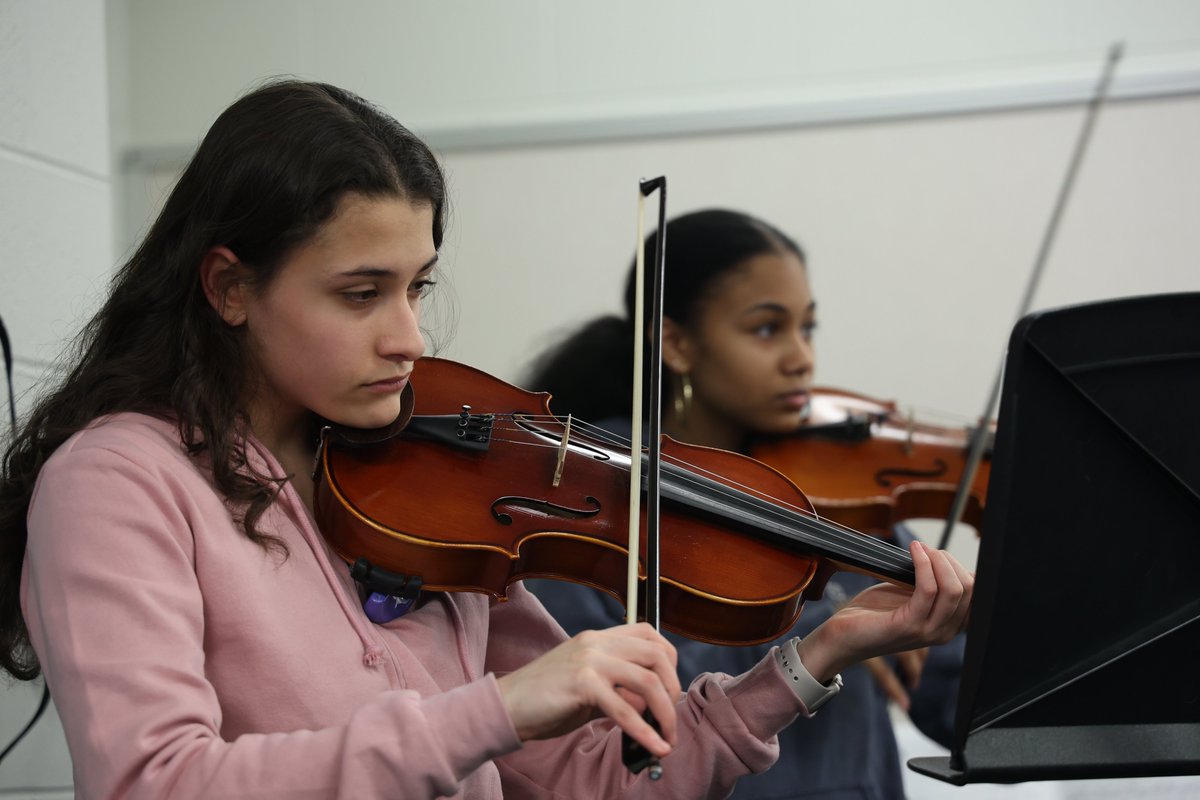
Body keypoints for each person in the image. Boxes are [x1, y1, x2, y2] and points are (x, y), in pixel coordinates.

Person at [0, 82, 971, 799]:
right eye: (359, 292)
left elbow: (604, 781)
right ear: (228, 286)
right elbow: (155, 781)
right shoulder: (119, 480)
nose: (410, 337)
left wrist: (818, 653)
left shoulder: (430, 484)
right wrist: (497, 707)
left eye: (416, 286)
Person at [525, 208, 967, 799]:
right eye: (766, 329)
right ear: (677, 343)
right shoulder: (587, 483)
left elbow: (949, 697)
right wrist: (829, 633)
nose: (800, 358)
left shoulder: (831, 485)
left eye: (807, 328)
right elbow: (610, 718)